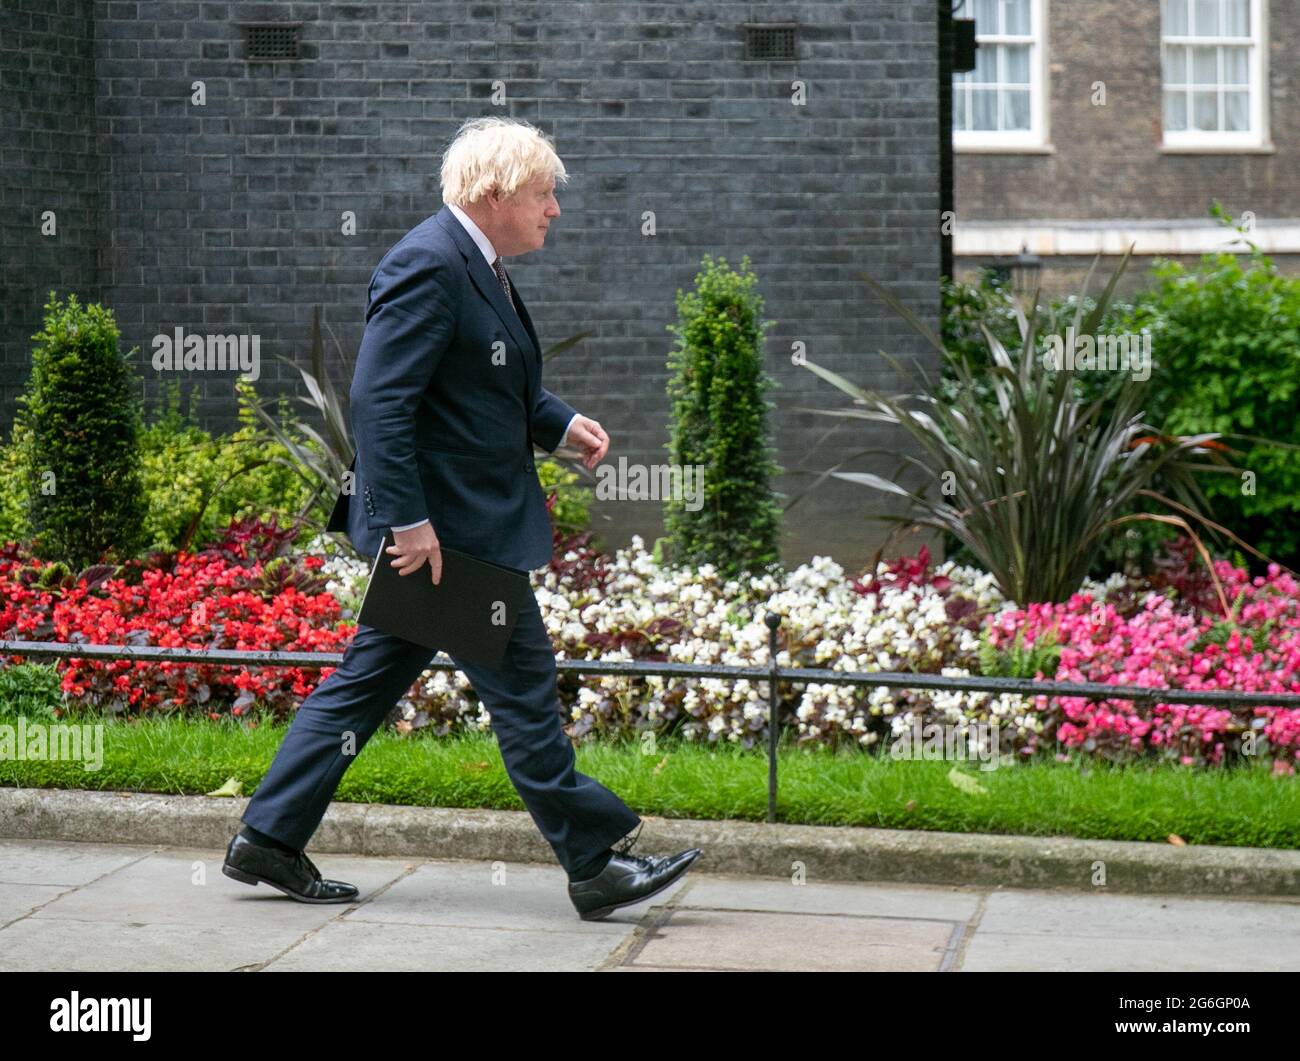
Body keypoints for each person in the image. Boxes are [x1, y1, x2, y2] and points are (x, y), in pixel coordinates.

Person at [222, 116, 701, 921]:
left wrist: (556, 421)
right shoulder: (429, 264)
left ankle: (267, 836)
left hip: (452, 536)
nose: (554, 210)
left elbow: (480, 380)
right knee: (522, 688)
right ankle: (593, 862)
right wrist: (407, 521)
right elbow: (380, 401)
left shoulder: (474, 265)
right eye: (544, 194)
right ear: (494, 193)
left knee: (363, 687)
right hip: (447, 540)